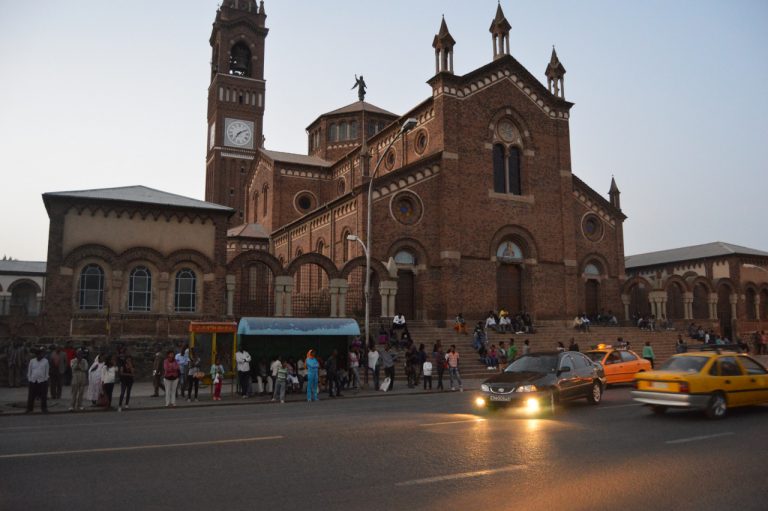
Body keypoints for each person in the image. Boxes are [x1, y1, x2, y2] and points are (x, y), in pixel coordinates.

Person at [25, 347, 49, 414]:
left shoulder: (45, 361)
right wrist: (30, 379)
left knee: (43, 396)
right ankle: (29, 409)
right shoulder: (32, 361)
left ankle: (44, 408)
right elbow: (29, 371)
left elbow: (46, 372)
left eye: (42, 354)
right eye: (39, 355)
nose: (41, 356)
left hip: (42, 381)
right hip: (33, 381)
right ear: (37, 355)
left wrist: (45, 379)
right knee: (31, 396)